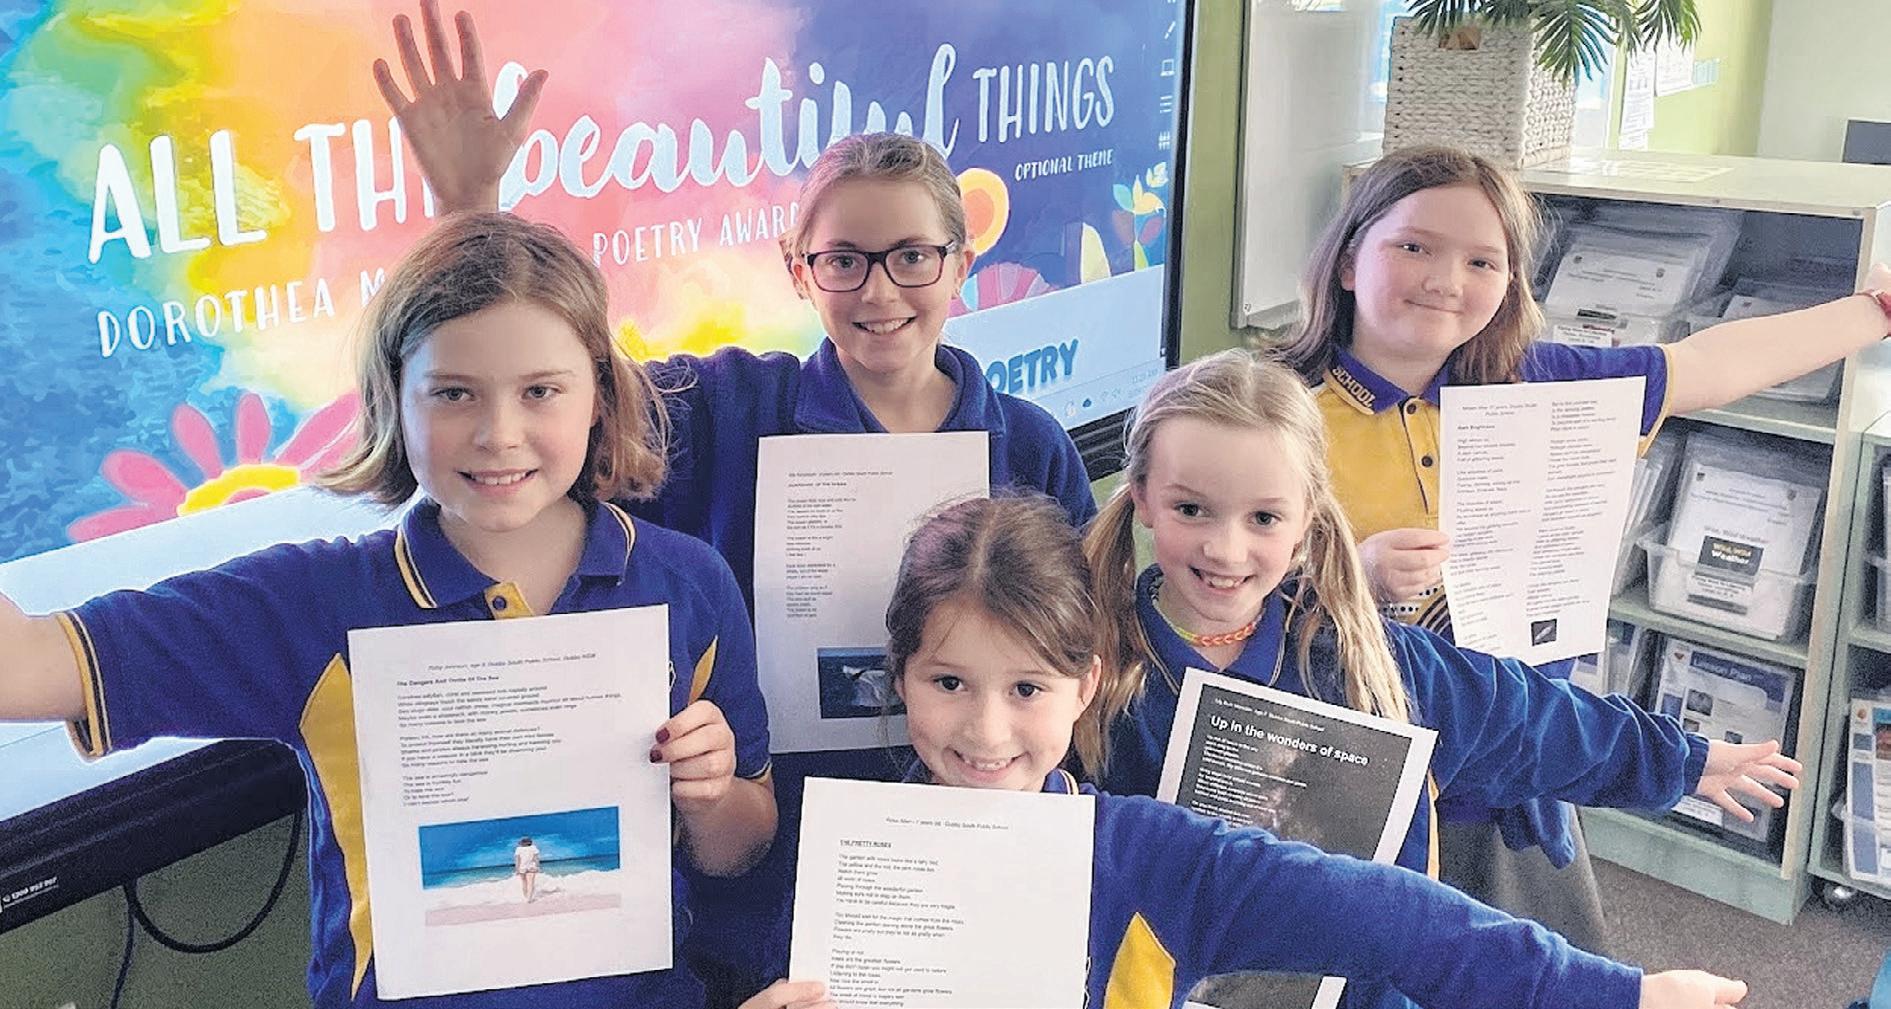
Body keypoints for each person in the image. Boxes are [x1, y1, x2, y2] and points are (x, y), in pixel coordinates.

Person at [369, 4, 1096, 997]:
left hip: (956, 867)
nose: (879, 290)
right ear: (799, 271)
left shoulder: (1031, 445)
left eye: (912, 256)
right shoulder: (728, 406)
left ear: (959, 264)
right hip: (755, 880)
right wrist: (470, 208)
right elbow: (552, 386)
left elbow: (1074, 663)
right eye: (843, 259)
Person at [0, 212, 775, 1009]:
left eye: (540, 391)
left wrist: (712, 792)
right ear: (393, 400)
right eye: (453, 393)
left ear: (598, 398)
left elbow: (741, 845)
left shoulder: (687, 584)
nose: (498, 433)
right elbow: (26, 665)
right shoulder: (314, 603)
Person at [773, 493, 1754, 1009]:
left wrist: (1616, 993)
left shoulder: (1148, 855)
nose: (986, 732)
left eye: (1026, 689)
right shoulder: (842, 859)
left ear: (1086, 683)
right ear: (899, 676)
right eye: (948, 683)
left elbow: (1399, 921)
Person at [1276, 144, 1891, 947]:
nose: (1445, 280)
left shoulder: (1541, 384)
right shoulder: (1276, 409)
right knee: (1346, 964)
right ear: (1347, 260)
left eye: (1481, 261)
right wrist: (1348, 576)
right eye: (1414, 246)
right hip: (1338, 777)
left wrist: (1874, 311)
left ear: (1509, 285)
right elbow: (1217, 585)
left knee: (1533, 964)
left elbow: (1709, 364)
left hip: (1508, 773)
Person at [1082, 350, 1800, 1008]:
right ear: (1141, 495)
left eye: (1264, 517)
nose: (1225, 548)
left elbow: (1527, 720)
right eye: (1190, 509)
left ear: (1306, 522)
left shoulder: (1367, 660)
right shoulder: (1087, 672)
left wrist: (1680, 760)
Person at [514, 836, 541, 902]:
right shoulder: (533, 847)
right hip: (531, 867)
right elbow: (536, 858)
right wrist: (538, 866)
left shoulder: (518, 849)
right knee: (530, 883)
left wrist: (517, 869)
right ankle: (529, 899)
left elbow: (517, 860)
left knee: (524, 883)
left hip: (522, 868)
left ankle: (526, 897)